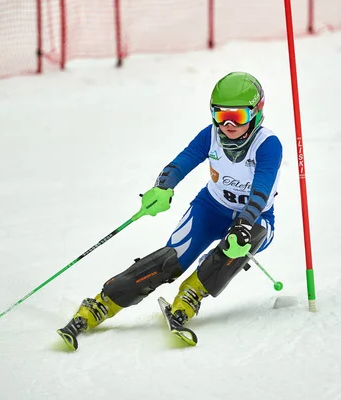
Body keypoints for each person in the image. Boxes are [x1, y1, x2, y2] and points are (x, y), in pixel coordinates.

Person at [57, 71, 283, 350]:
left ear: (256, 111)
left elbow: (261, 188)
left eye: (236, 116)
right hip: (211, 208)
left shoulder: (267, 144)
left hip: (256, 216)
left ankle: (192, 294)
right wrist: (163, 187)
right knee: (169, 261)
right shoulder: (210, 136)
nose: (227, 124)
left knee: (241, 241)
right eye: (220, 114)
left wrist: (245, 222)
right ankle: (102, 304)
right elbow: (183, 160)